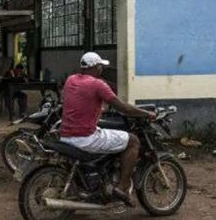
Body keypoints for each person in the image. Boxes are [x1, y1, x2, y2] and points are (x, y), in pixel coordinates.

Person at [60, 52, 155, 206]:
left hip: (65, 135)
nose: (101, 69)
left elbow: (80, 100)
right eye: (100, 66)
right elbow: (123, 108)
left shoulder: (71, 80)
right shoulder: (98, 85)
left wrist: (97, 108)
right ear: (96, 67)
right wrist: (147, 114)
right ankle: (122, 188)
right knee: (133, 141)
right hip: (85, 138)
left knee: (109, 135)